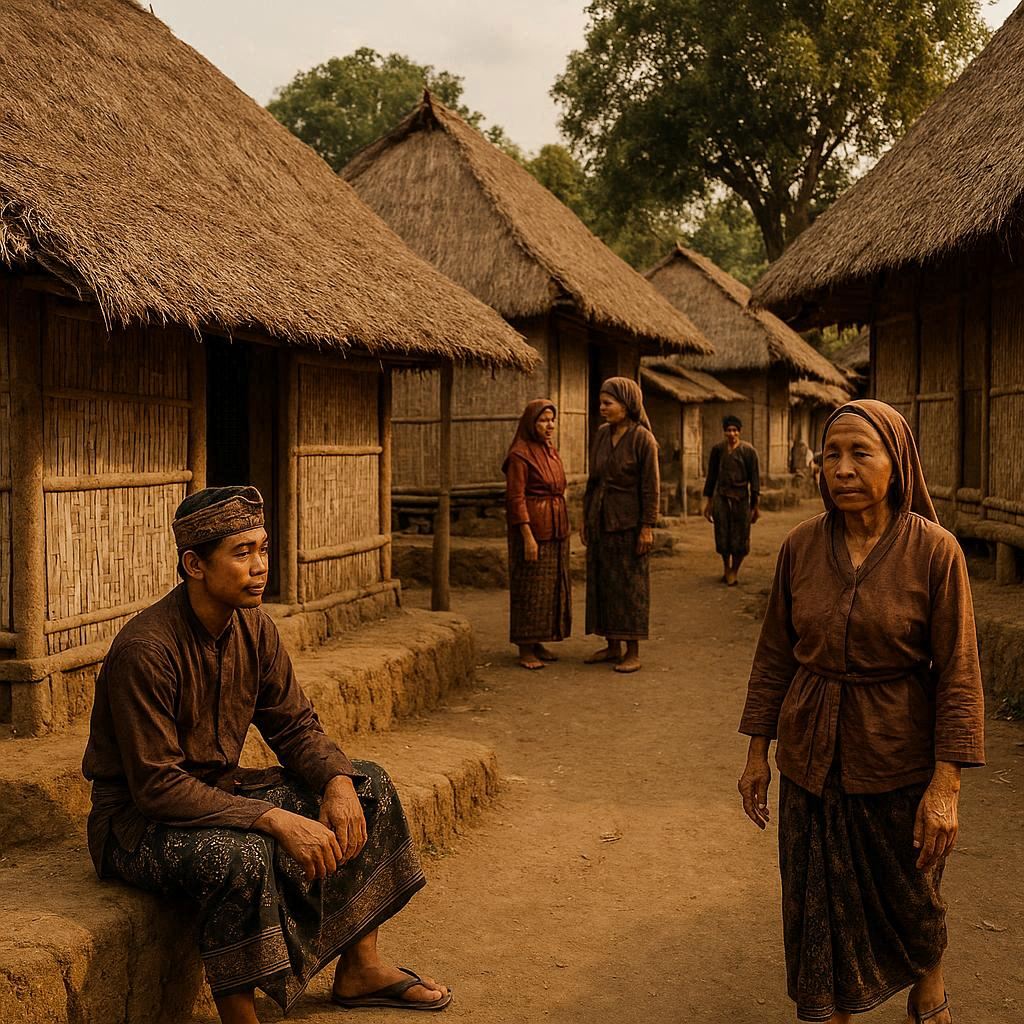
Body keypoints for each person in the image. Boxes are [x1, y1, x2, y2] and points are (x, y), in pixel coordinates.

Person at [82, 487, 451, 1023]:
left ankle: (361, 968)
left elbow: (295, 724)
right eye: (242, 552)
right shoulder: (147, 650)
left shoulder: (254, 626)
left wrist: (336, 782)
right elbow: (157, 787)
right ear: (194, 565)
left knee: (368, 786)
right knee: (243, 855)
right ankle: (240, 1015)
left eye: (263, 548)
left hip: (219, 795)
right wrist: (273, 819)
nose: (260, 567)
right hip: (138, 826)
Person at [737, 400, 985, 1024]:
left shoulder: (935, 551)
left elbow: (959, 672)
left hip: (896, 753)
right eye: (831, 455)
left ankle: (929, 983)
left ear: (896, 464)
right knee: (814, 897)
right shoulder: (799, 547)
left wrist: (947, 783)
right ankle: (829, 1009)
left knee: (910, 891)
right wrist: (756, 755)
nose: (841, 469)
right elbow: (773, 657)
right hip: (809, 753)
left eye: (859, 454)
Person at [581, 376, 659, 674]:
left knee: (630, 586)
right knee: (604, 583)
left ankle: (632, 650)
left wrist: (647, 526)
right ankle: (612, 645)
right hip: (601, 519)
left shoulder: (643, 439)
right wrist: (586, 518)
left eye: (607, 403)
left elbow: (651, 487)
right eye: (601, 402)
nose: (602, 408)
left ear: (626, 406)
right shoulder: (601, 435)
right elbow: (593, 480)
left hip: (629, 523)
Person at [502, 399, 572, 670]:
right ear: (531, 423)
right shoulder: (519, 455)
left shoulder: (549, 450)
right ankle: (525, 647)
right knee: (529, 587)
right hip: (533, 528)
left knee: (550, 588)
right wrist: (527, 535)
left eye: (552, 420)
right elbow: (515, 498)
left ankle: (539, 640)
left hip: (555, 527)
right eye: (543, 420)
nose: (549, 425)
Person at [703, 414, 760, 585]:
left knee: (741, 537)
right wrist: (709, 503)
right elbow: (711, 477)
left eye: (735, 430)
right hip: (721, 497)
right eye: (728, 430)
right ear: (724, 432)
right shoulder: (717, 450)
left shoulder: (749, 451)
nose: (732, 434)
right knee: (722, 535)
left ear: (739, 432)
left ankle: (735, 569)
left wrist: (755, 506)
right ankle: (726, 568)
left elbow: (755, 479)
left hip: (741, 499)